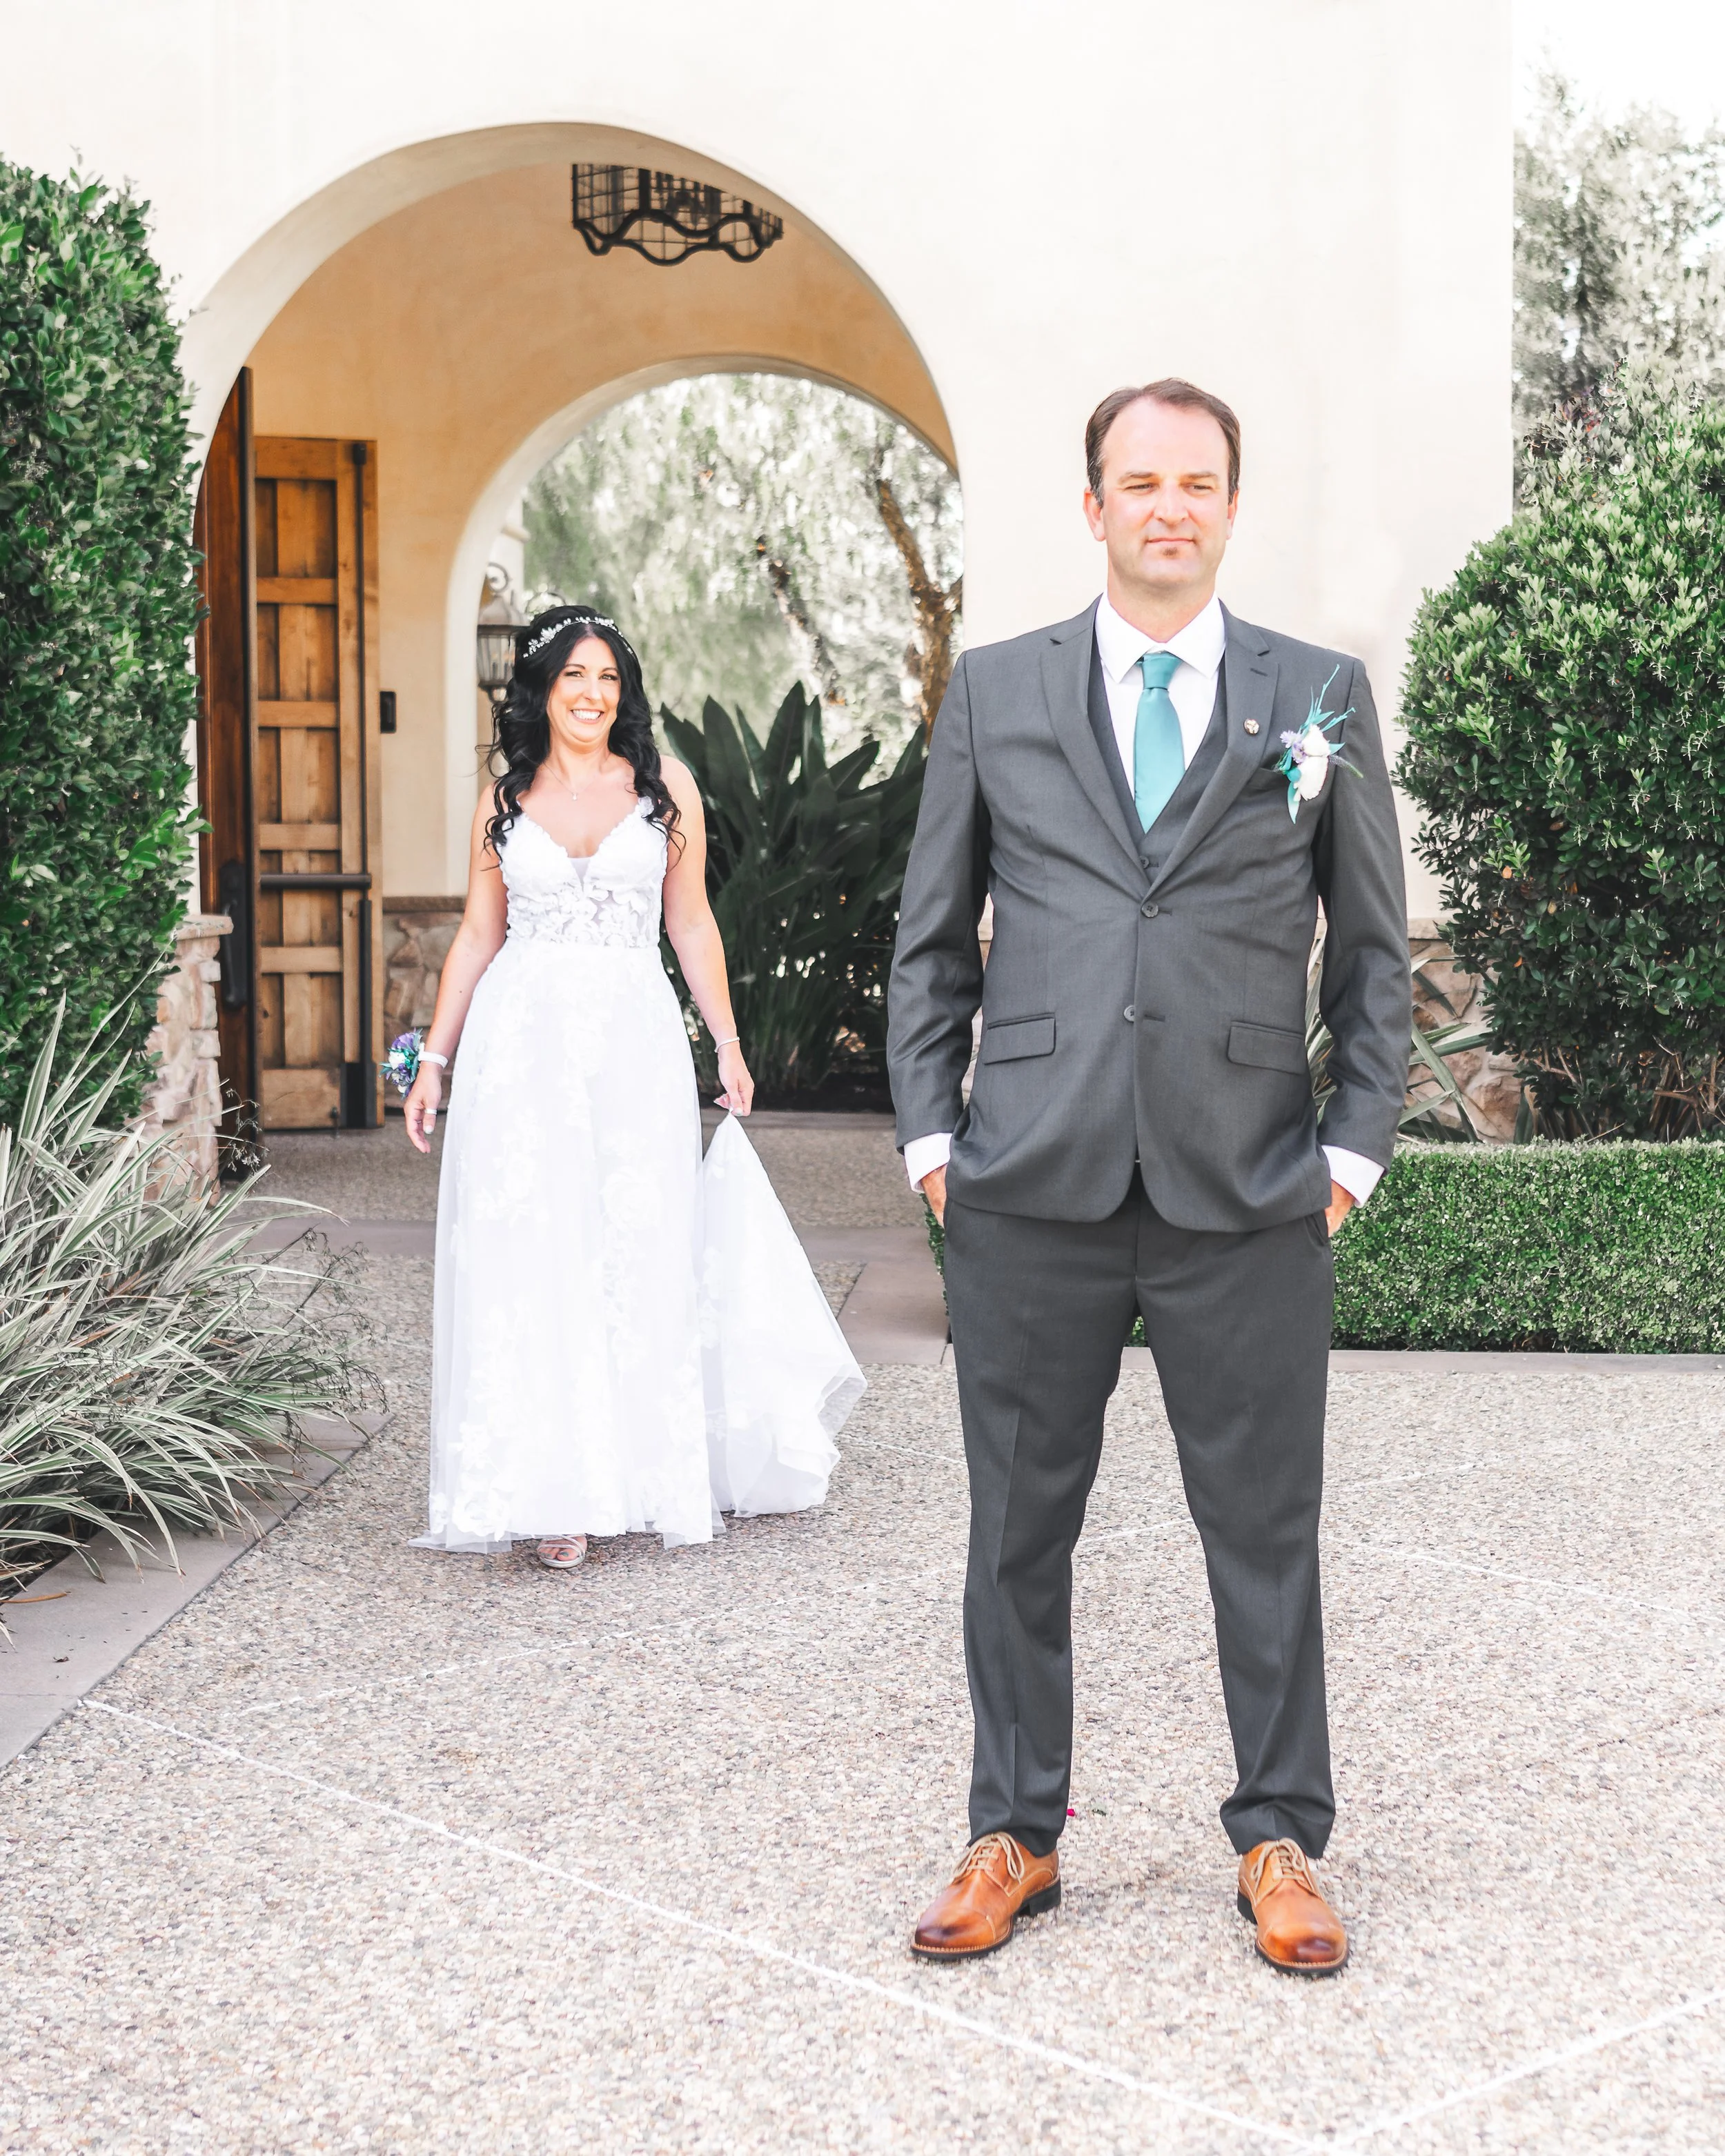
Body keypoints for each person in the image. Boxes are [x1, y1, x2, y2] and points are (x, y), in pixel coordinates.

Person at [887, 381, 1410, 1975]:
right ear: (1094, 506)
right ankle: (1014, 1833)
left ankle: (1278, 1839)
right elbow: (928, 944)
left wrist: (1350, 1149)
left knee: (1261, 1526)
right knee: (1011, 1532)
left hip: (1248, 1183)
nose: (1167, 505)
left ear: (1229, 507)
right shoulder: (994, 690)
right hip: (1028, 1187)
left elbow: (1371, 952)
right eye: (1138, 481)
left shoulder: (1314, 699)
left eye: (1195, 481)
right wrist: (931, 1144)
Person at [403, 605, 863, 1567]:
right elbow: (479, 936)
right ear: (540, 690)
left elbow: (691, 926)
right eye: (574, 676)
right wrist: (436, 1061)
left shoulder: (666, 790)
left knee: (632, 1246)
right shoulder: (504, 799)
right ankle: (551, 1490)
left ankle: (635, 1470)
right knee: (533, 1250)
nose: (593, 694)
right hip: (520, 1046)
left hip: (631, 1040)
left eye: (608, 678)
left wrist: (729, 1046)